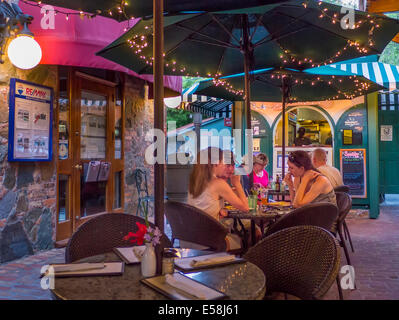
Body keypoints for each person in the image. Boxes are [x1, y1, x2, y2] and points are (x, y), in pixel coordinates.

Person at [187, 147, 250, 251]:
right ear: (216, 162)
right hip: (209, 240)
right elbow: (245, 208)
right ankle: (235, 266)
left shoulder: (194, 182)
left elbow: (202, 206)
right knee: (243, 240)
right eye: (223, 162)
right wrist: (237, 183)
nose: (224, 165)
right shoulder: (218, 183)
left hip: (189, 237)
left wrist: (217, 210)